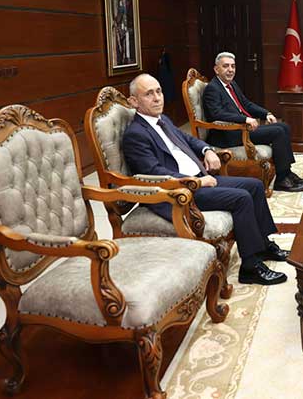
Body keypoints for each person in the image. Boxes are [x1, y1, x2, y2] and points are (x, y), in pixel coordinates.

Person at [122, 73, 289, 286]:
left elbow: (188, 139)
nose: (157, 98)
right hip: (179, 191)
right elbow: (153, 173)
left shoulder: (162, 120)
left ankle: (263, 246)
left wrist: (207, 149)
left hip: (199, 178)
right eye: (148, 94)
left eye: (159, 91)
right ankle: (250, 267)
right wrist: (197, 182)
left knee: (255, 186)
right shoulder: (135, 134)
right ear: (134, 101)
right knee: (241, 198)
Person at [202, 52, 303, 192]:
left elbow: (246, 104)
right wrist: (245, 119)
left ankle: (287, 172)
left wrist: (266, 113)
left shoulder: (231, 84)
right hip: (229, 134)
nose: (230, 70)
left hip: (241, 128)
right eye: (226, 66)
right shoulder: (212, 88)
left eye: (233, 66)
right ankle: (281, 180)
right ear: (216, 69)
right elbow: (216, 114)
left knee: (284, 126)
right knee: (277, 132)